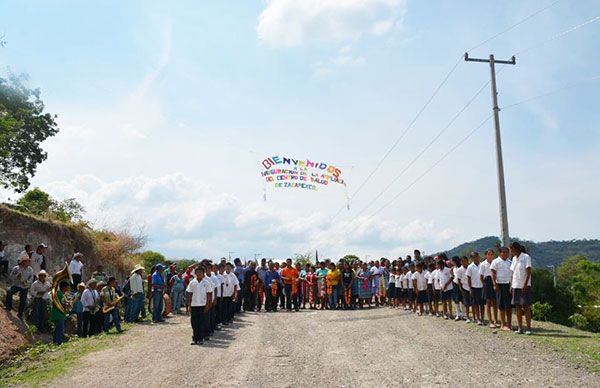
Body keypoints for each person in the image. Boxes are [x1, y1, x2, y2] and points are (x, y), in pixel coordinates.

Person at [510, 242, 533, 335]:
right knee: (517, 307)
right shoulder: (514, 259)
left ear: (515, 249)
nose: (511, 252)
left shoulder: (526, 257)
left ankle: (528, 328)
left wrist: (525, 284)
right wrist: (511, 285)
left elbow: (528, 272)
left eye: (511, 249)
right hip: (516, 285)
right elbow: (512, 273)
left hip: (524, 285)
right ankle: (520, 328)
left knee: (526, 306)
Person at [187, 266, 212, 345]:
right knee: (194, 323)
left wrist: (208, 305)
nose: (199, 274)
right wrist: (189, 306)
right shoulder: (192, 282)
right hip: (194, 305)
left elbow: (209, 294)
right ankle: (195, 339)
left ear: (203, 273)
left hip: (202, 305)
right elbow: (189, 294)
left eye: (200, 272)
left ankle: (200, 338)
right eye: (197, 272)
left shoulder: (206, 283)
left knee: (201, 323)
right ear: (195, 273)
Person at [5, 253, 34, 319]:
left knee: (23, 300)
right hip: (16, 285)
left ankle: (20, 314)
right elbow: (11, 276)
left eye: (28, 261)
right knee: (9, 292)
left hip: (25, 286)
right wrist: (16, 276)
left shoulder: (30, 269)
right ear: (23, 262)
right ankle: (8, 307)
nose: (28, 262)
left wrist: (27, 282)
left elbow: (31, 278)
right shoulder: (16, 268)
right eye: (26, 261)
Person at [491, 247, 513, 331]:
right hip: (499, 285)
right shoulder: (495, 262)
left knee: (509, 306)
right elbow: (493, 273)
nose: (505, 254)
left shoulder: (510, 262)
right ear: (500, 253)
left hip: (508, 285)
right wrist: (495, 284)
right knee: (501, 306)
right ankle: (503, 324)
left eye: (507, 252)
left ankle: (509, 324)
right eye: (503, 252)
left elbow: (512, 275)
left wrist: (511, 285)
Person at [481, 248, 499, 328]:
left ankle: (496, 320)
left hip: (494, 282)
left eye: (491, 254)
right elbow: (481, 276)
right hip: (487, 282)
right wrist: (484, 284)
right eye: (488, 254)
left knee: (495, 302)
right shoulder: (483, 264)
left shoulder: (495, 263)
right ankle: (490, 321)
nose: (490, 256)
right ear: (486, 255)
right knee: (488, 302)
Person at [467, 252, 485, 325]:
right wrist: (470, 289)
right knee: (476, 304)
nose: (475, 258)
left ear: (478, 256)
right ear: (471, 258)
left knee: (482, 304)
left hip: (482, 287)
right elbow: (468, 278)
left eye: (476, 256)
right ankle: (478, 319)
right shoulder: (470, 267)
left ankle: (482, 318)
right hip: (474, 288)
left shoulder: (482, 265)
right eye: (473, 257)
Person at [458, 256, 472, 323]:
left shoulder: (470, 267)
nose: (464, 262)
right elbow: (459, 280)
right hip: (464, 287)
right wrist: (461, 289)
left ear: (467, 261)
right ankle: (468, 317)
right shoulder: (459, 270)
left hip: (472, 287)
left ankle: (475, 317)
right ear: (461, 262)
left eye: (465, 261)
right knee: (466, 304)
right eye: (462, 261)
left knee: (474, 303)